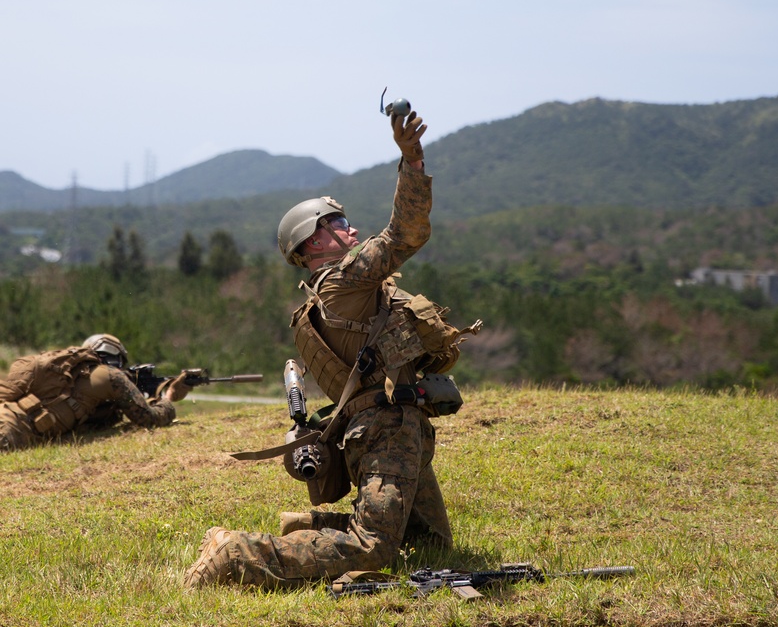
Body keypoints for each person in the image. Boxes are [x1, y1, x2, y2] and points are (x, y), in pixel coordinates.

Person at [185, 104, 477, 589]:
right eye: (337, 222)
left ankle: (302, 529)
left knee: (426, 548)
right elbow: (405, 233)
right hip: (386, 430)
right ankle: (238, 554)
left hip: (394, 426)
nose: (350, 228)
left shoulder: (319, 304)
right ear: (312, 243)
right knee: (375, 549)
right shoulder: (344, 281)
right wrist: (412, 163)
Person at [0, 334, 193, 451]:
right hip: (9, 437)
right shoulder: (111, 376)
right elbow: (149, 419)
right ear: (116, 359)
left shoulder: (60, 371)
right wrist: (169, 396)